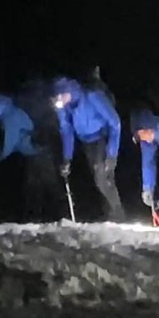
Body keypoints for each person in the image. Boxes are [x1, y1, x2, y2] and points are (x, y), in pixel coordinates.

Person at [0, 83, 64, 222]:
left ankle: (57, 217)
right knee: (36, 186)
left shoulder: (10, 117)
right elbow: (15, 140)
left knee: (44, 185)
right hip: (34, 150)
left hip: (39, 151)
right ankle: (43, 218)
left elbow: (9, 144)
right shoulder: (7, 110)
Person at [52, 76, 125, 220]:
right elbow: (66, 131)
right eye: (57, 96)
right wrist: (67, 158)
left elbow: (115, 123)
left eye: (61, 95)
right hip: (87, 142)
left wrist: (112, 154)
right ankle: (110, 214)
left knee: (102, 177)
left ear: (69, 91)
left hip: (102, 137)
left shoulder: (91, 96)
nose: (59, 99)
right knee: (100, 179)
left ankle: (119, 215)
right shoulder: (64, 107)